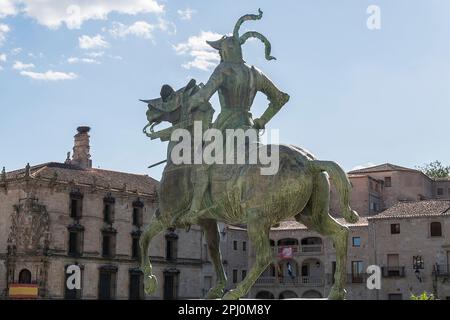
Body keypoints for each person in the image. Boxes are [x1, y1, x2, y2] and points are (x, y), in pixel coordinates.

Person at [177, 9, 290, 225]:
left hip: (226, 125)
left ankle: (195, 209)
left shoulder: (224, 70)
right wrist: (262, 120)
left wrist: (190, 104)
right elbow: (281, 98)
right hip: (249, 128)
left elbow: (204, 96)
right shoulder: (255, 73)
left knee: (200, 161)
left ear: (224, 51)